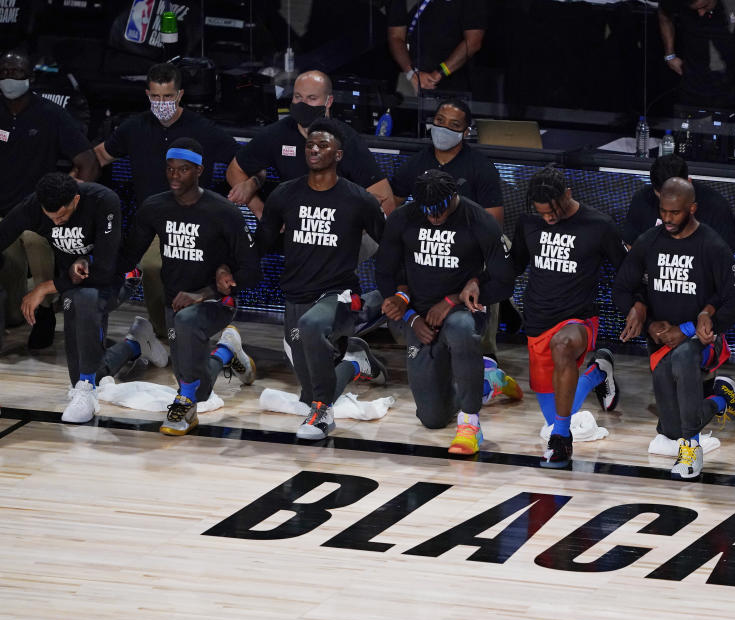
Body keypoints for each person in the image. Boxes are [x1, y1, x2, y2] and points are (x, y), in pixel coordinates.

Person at [117, 138, 261, 436]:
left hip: (215, 303)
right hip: (175, 301)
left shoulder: (223, 212)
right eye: (170, 169)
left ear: (199, 171)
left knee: (186, 344)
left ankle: (185, 408)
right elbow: (128, 255)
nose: (174, 176)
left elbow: (252, 272)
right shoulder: (154, 207)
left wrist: (207, 292)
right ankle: (226, 353)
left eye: (183, 170)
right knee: (192, 375)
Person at [255, 120, 388, 440]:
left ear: (339, 154)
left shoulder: (358, 199)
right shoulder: (284, 194)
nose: (314, 149)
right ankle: (355, 364)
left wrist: (401, 291)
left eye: (323, 145)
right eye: (310, 145)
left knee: (315, 327)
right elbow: (261, 243)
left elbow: (390, 245)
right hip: (296, 295)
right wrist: (230, 270)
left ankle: (324, 417)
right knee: (311, 391)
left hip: (338, 295)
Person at [614, 178, 735, 480]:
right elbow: (622, 289)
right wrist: (645, 319)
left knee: (684, 357)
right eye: (663, 211)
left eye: (675, 212)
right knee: (671, 428)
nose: (667, 218)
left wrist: (691, 327)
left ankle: (691, 449)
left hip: (703, 342)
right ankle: (720, 399)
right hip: (660, 342)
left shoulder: (712, 245)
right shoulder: (649, 241)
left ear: (692, 208)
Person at [0, 173, 166, 422]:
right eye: (50, 218)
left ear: (75, 199)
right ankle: (135, 344)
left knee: (85, 298)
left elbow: (104, 269)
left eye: (62, 216)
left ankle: (87, 390)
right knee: (84, 370)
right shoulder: (34, 205)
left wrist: (45, 287)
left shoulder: (103, 201)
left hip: (119, 276)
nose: (56, 224)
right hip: (74, 284)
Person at [94, 62, 240, 341]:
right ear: (148, 94)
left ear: (180, 95)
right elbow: (98, 157)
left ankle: (198, 325)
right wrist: (77, 182)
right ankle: (163, 332)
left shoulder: (203, 128)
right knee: (152, 266)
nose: (162, 103)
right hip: (151, 222)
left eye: (168, 96)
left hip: (196, 221)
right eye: (156, 97)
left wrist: (245, 186)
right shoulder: (133, 127)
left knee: (194, 269)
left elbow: (238, 159)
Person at [376, 169, 516, 455]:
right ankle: (488, 381)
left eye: (439, 211)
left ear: (454, 197)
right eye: (427, 212)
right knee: (432, 419)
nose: (434, 218)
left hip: (464, 310)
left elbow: (505, 282)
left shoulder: (479, 221)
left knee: (462, 329)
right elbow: (384, 273)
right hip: (419, 316)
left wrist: (454, 298)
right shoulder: (403, 218)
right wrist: (409, 315)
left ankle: (470, 424)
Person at [512, 166, 626, 468]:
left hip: (577, 321)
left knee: (562, 351)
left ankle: (561, 443)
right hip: (537, 321)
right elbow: (513, 266)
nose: (548, 218)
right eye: (542, 213)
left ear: (568, 195)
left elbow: (625, 272)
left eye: (553, 211)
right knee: (555, 416)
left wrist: (636, 308)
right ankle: (597, 374)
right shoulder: (528, 223)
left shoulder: (599, 225)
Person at [390, 98, 505, 360]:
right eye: (440, 121)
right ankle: (411, 329)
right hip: (426, 239)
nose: (443, 128)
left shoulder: (480, 167)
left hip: (468, 243)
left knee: (493, 262)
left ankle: (484, 349)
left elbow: (494, 225)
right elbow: (391, 204)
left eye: (454, 125)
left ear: (466, 131)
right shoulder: (417, 162)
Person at [0, 50, 98, 348]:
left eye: (16, 73)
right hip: (3, 213)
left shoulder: (51, 114)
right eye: (3, 71)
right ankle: (15, 313)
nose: (8, 78)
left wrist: (64, 201)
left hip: (37, 212)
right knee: (13, 311)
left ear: (30, 78)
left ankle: (45, 313)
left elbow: (89, 163)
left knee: (34, 240)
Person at [226, 70, 395, 219]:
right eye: (298, 97)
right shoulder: (278, 133)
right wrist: (260, 211)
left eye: (312, 98)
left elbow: (385, 201)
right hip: (295, 223)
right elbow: (235, 169)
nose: (303, 104)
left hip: (338, 224)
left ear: (328, 101)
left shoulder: (347, 140)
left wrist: (349, 228)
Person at [621, 154, 735, 250]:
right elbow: (631, 246)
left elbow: (723, 260)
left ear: (688, 182)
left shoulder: (717, 207)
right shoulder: (642, 198)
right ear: (654, 188)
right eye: (662, 198)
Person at [386, 0, 487, 94]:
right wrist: (412, 73)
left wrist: (438, 74)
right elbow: (395, 37)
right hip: (410, 81)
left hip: (454, 82)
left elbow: (473, 41)